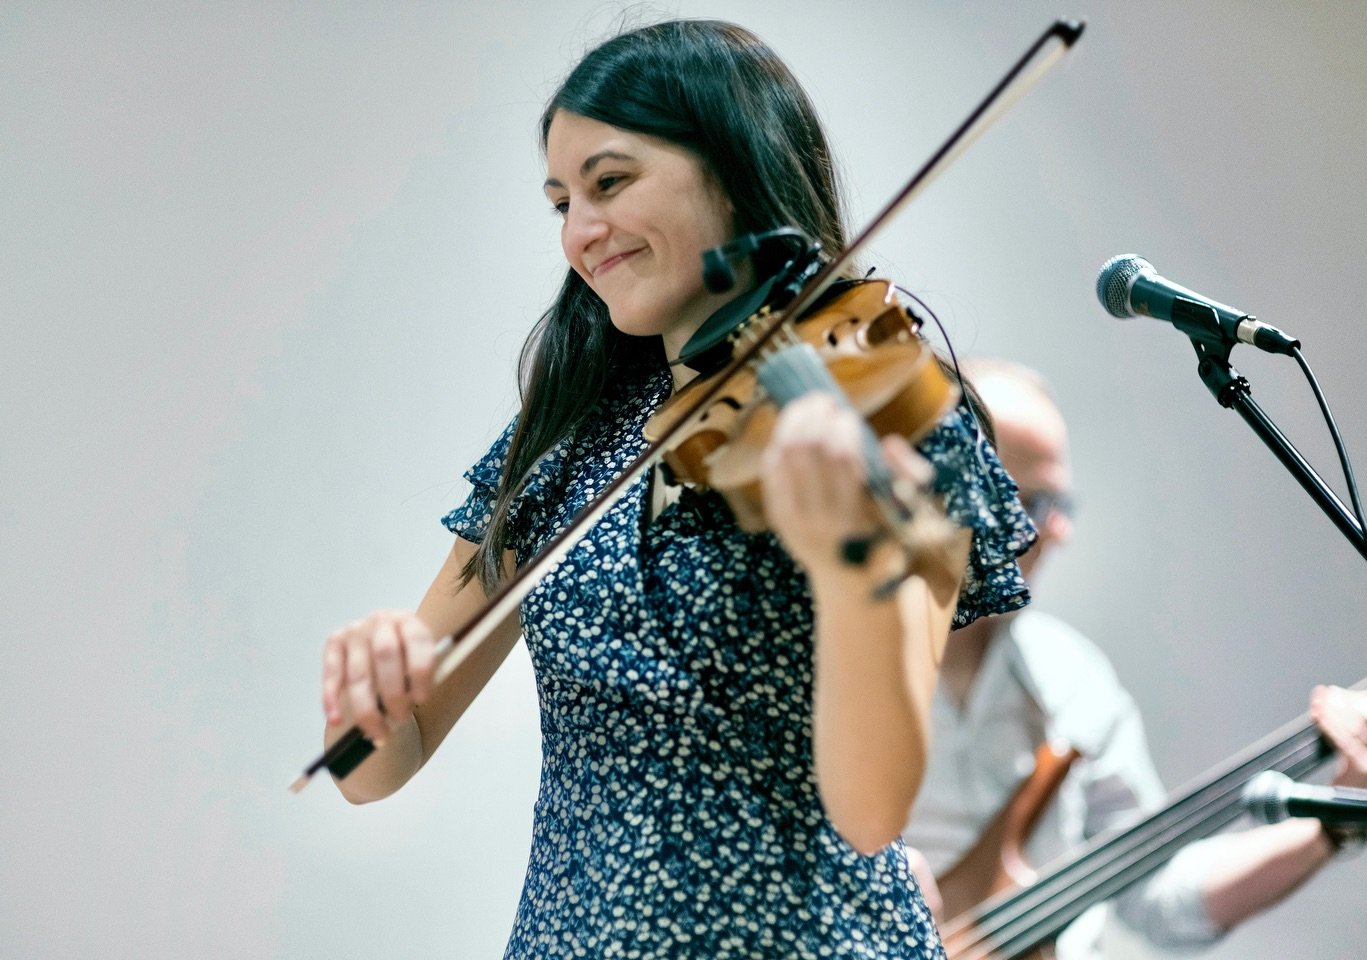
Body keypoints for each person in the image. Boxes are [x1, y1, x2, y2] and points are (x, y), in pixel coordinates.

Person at [317, 20, 1034, 958]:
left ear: (735, 166)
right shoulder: (566, 439)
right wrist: (360, 703)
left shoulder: (887, 409)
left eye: (610, 183)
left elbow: (869, 810)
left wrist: (852, 562)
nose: (581, 230)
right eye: (561, 201)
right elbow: (376, 768)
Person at [904, 359, 1367, 957]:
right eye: (1035, 501)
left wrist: (1330, 826)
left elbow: (1159, 898)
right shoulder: (838, 665)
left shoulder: (1072, 679)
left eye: (1062, 503)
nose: (1059, 531)